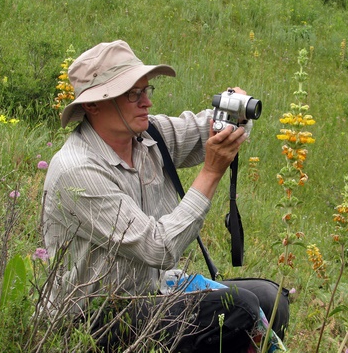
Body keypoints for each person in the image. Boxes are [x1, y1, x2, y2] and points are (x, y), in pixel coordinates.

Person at [42, 40, 289, 352]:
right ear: (93, 105)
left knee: (270, 300)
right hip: (92, 318)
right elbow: (158, 249)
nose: (146, 102)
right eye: (133, 94)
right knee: (238, 307)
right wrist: (211, 172)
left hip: (152, 293)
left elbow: (204, 129)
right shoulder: (78, 170)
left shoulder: (148, 135)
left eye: (147, 90)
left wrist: (234, 112)